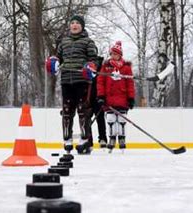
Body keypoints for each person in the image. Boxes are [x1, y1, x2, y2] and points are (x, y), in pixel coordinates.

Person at [55, 15, 98, 154]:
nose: (74, 25)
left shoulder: (88, 42)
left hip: (82, 80)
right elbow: (58, 58)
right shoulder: (63, 42)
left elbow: (94, 60)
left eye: (77, 23)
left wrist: (91, 66)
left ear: (82, 26)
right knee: (67, 110)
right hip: (66, 79)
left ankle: (84, 140)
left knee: (82, 109)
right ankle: (67, 140)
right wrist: (54, 62)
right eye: (72, 22)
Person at [96, 41, 135, 151]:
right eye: (112, 54)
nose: (114, 56)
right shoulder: (106, 67)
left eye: (116, 54)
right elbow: (100, 81)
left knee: (122, 120)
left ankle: (122, 139)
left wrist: (131, 98)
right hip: (109, 99)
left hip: (122, 99)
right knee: (111, 119)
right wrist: (101, 96)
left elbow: (130, 83)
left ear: (120, 55)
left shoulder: (126, 68)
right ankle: (112, 138)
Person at [88, 56, 107, 148]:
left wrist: (103, 97)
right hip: (87, 98)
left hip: (98, 98)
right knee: (87, 119)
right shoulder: (85, 66)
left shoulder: (101, 69)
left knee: (100, 119)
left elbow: (103, 83)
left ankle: (103, 138)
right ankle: (88, 139)